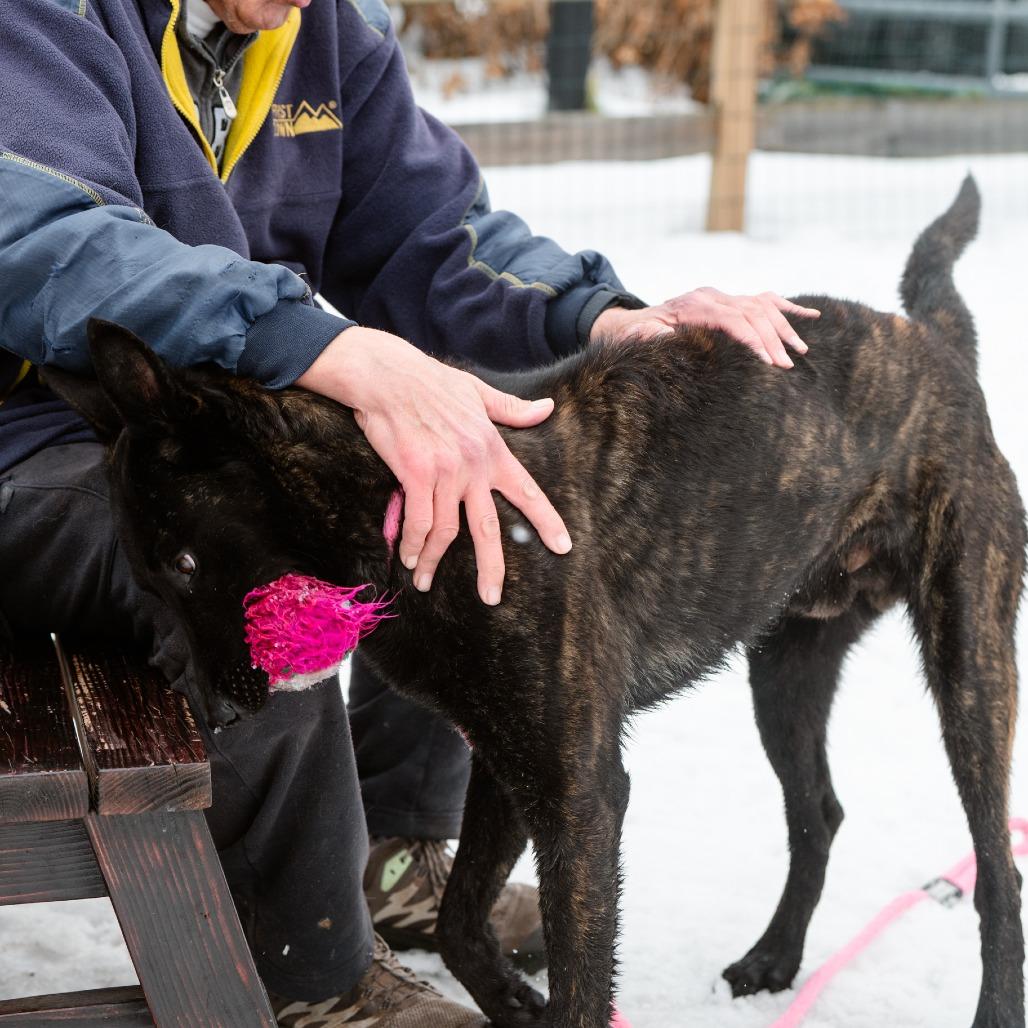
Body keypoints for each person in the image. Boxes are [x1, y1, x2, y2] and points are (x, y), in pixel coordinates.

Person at [0, 0, 816, 1023]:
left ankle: (397, 850)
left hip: (205, 418)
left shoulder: (329, 36)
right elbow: (42, 232)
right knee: (264, 574)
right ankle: (316, 974)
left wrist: (605, 317)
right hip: (30, 443)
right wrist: (322, 346)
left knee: (436, 470)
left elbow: (437, 238)